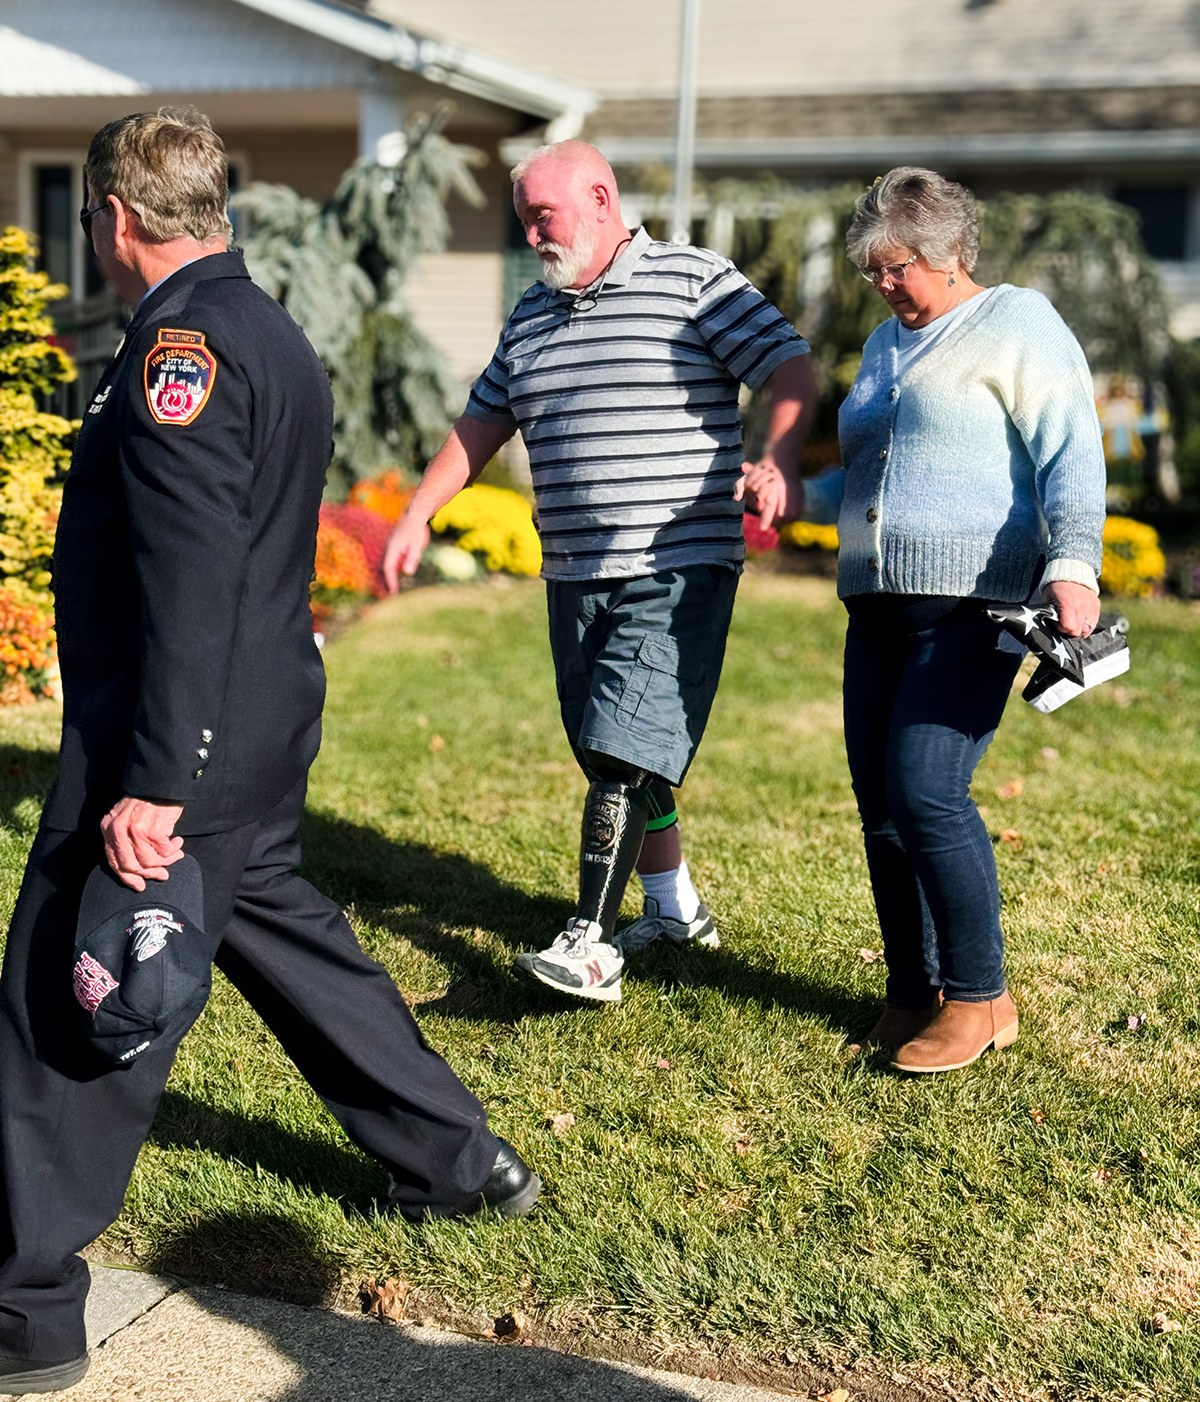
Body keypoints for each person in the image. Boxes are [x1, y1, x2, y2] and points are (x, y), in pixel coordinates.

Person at [0, 108, 538, 1397]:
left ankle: (25, 1311)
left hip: (178, 734)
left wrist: (155, 782)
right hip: (255, 715)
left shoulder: (176, 352)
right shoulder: (270, 331)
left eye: (86, 221)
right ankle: (461, 1164)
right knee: (278, 931)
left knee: (60, 1013)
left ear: (117, 220)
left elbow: (188, 579)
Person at [384, 141, 814, 1003]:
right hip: (576, 569)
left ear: (600, 196)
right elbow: (482, 422)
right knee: (607, 747)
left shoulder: (694, 280)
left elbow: (790, 364)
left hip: (676, 559)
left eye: (544, 215)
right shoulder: (533, 313)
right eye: (524, 220)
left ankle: (592, 942)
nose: (533, 233)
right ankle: (674, 908)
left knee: (622, 746)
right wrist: (416, 511)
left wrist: (779, 459)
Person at [764, 167, 1105, 1074]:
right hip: (876, 603)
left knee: (926, 790)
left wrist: (1075, 565)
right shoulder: (883, 345)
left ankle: (982, 997)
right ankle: (911, 993)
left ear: (951, 253)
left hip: (976, 602)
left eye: (899, 266)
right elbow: (867, 480)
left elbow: (1072, 447)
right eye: (874, 270)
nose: (885, 285)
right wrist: (795, 493)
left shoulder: (1017, 322)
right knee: (881, 809)